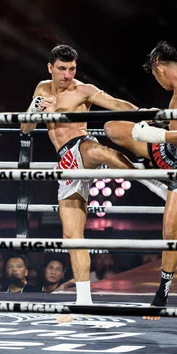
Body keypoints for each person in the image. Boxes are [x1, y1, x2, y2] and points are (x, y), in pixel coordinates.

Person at [20, 45, 140, 306]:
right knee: (72, 236)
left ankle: (147, 177)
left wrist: (146, 116)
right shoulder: (42, 89)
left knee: (96, 149)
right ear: (50, 68)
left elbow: (116, 104)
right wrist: (34, 108)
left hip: (81, 146)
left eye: (72, 69)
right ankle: (84, 300)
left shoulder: (83, 89)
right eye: (62, 69)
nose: (67, 75)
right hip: (65, 162)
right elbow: (26, 128)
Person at [104, 41, 177, 317]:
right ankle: (147, 180)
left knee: (169, 234)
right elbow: (176, 129)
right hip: (166, 150)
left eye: (154, 75)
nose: (156, 80)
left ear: (161, 68)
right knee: (112, 128)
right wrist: (155, 124)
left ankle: (161, 295)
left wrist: (152, 134)